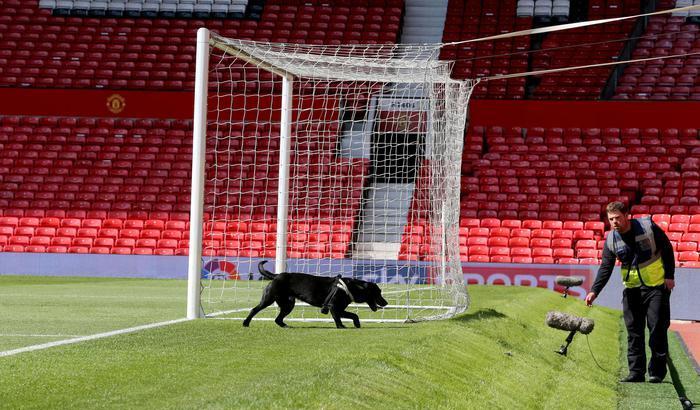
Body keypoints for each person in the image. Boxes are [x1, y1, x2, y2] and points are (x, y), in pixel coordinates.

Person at [585, 201, 675, 384]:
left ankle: (656, 372)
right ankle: (636, 372)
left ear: (627, 215)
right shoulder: (611, 239)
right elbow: (605, 267)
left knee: (657, 329)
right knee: (634, 332)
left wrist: (669, 275)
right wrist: (594, 291)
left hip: (656, 287)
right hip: (632, 290)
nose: (615, 222)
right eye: (611, 219)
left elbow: (667, 248)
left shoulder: (647, 227)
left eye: (618, 217)